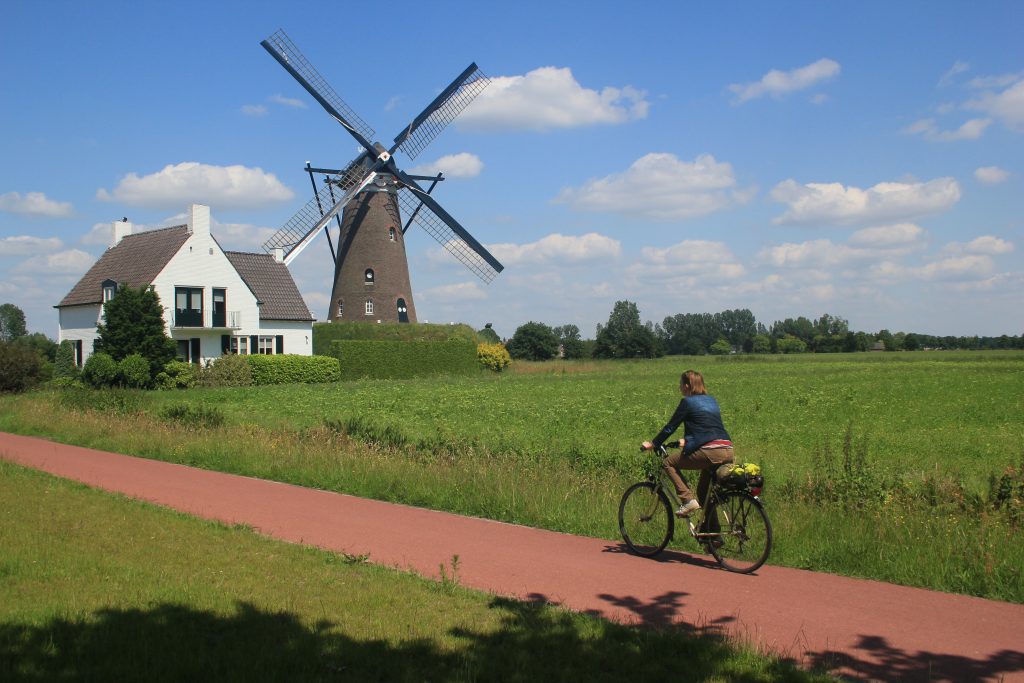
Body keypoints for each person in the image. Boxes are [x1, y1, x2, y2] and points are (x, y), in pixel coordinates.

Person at [642, 369, 734, 517]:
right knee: (704, 493)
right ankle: (713, 537)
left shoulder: (687, 402)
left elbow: (670, 427)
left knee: (668, 463)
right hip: (727, 449)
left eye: (680, 384)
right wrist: (687, 441)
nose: (679, 387)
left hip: (710, 451)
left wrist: (653, 443)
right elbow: (708, 427)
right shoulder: (712, 401)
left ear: (686, 386)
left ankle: (687, 500)